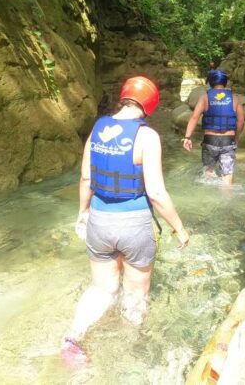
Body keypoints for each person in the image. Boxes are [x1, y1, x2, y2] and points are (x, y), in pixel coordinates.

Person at [61, 76, 190, 368]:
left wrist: (82, 213)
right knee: (135, 293)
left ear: (123, 97)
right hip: (134, 224)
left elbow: (86, 178)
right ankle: (126, 356)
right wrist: (179, 228)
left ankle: (73, 337)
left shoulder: (98, 128)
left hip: (99, 220)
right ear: (150, 105)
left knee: (101, 289)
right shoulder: (147, 137)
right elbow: (156, 192)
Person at [182, 69, 245, 185]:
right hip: (228, 141)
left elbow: (194, 117)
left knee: (208, 174)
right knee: (227, 176)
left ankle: (209, 201)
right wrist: (236, 138)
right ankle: (227, 199)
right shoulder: (235, 98)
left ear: (210, 82)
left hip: (210, 141)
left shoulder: (205, 97)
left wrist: (187, 137)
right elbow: (241, 121)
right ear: (225, 82)